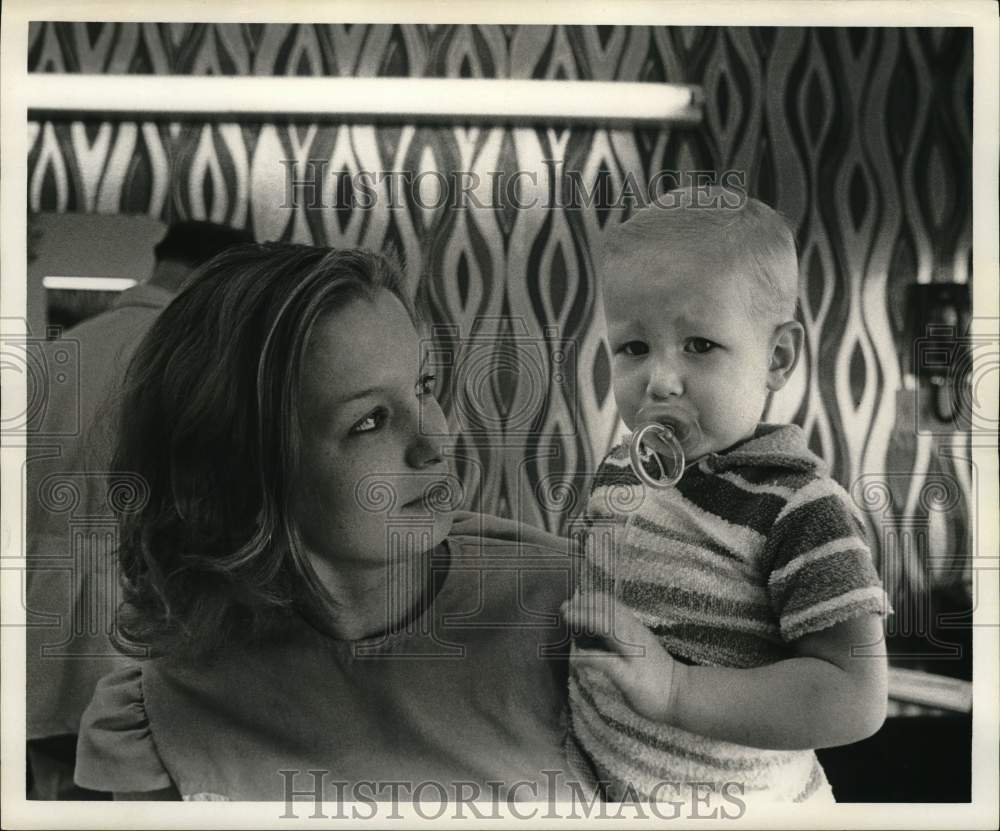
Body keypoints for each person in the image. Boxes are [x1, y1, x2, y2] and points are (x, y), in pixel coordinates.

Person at [72, 244, 589, 802]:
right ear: (248, 468)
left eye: (424, 386)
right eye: (370, 420)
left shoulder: (577, 612)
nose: (434, 442)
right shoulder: (164, 707)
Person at [561, 189, 892, 804]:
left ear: (778, 356)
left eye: (700, 345)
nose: (659, 380)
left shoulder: (799, 508)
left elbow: (855, 696)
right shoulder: (619, 472)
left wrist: (677, 691)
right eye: (633, 348)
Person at [25, 221, 254, 799]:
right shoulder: (185, 355)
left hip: (35, 614)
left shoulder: (65, 348)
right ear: (213, 276)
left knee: (47, 782)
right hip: (128, 621)